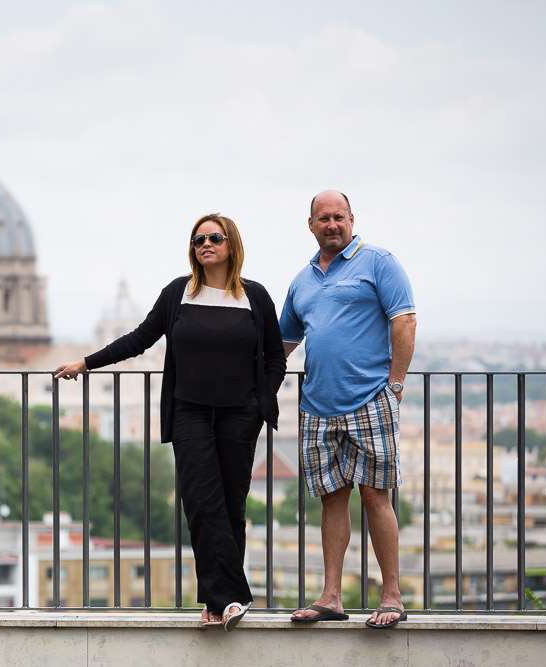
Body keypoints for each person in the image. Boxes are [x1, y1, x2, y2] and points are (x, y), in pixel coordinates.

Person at [55, 213, 286, 632]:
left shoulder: (255, 296)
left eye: (214, 237)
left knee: (231, 505)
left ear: (231, 244)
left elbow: (275, 356)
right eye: (198, 239)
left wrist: (263, 400)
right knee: (201, 501)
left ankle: (217, 605)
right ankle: (233, 596)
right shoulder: (178, 293)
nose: (205, 244)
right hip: (189, 410)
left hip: (240, 415)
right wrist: (86, 364)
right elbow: (140, 339)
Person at [280, 190, 416, 629]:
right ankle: (331, 597)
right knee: (331, 498)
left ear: (352, 219)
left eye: (339, 217)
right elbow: (284, 341)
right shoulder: (301, 280)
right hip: (318, 405)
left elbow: (405, 320)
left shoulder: (379, 262)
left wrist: (394, 386)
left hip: (369, 400)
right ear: (311, 224)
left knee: (376, 495)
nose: (332, 224)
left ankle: (391, 595)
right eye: (324, 218)